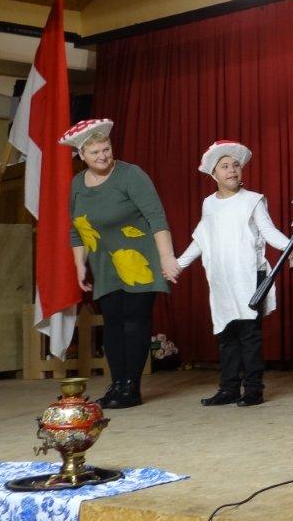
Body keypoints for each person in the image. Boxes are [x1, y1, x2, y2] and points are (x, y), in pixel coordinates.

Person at [63, 118, 181, 409]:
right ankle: (117, 384)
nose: (103, 156)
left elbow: (157, 217)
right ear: (81, 156)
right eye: (95, 153)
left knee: (134, 322)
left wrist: (166, 258)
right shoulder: (77, 184)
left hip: (140, 259)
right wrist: (80, 265)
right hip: (105, 263)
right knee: (113, 324)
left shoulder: (131, 175)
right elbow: (76, 228)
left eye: (106, 149)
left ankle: (132, 387)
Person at [175, 141, 293, 407]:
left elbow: (267, 231)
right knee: (227, 334)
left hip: (248, 277)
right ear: (214, 174)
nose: (232, 170)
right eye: (225, 166)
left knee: (249, 333)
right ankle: (229, 387)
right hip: (223, 279)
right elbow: (201, 239)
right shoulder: (208, 204)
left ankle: (253, 389)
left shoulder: (252, 200)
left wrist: (289, 244)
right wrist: (179, 264)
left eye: (235, 165)